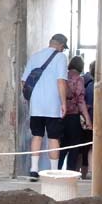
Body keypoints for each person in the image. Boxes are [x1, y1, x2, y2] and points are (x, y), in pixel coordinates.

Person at [20, 33, 70, 178]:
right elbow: (61, 81)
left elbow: (24, 82)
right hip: (53, 105)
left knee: (37, 136)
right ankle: (54, 171)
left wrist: (32, 99)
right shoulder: (60, 57)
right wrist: (63, 103)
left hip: (36, 106)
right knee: (54, 138)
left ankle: (34, 169)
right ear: (61, 46)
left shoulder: (35, 56)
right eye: (63, 48)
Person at [58, 56, 92, 171]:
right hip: (73, 117)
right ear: (81, 67)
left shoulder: (62, 76)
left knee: (62, 146)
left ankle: (57, 170)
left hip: (60, 115)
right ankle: (70, 172)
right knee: (74, 147)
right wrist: (87, 119)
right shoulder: (79, 79)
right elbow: (80, 100)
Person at [81, 60, 95, 179]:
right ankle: (91, 171)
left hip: (90, 120)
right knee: (92, 146)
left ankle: (89, 171)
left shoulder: (89, 86)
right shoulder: (93, 86)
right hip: (96, 121)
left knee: (88, 147)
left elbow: (87, 104)